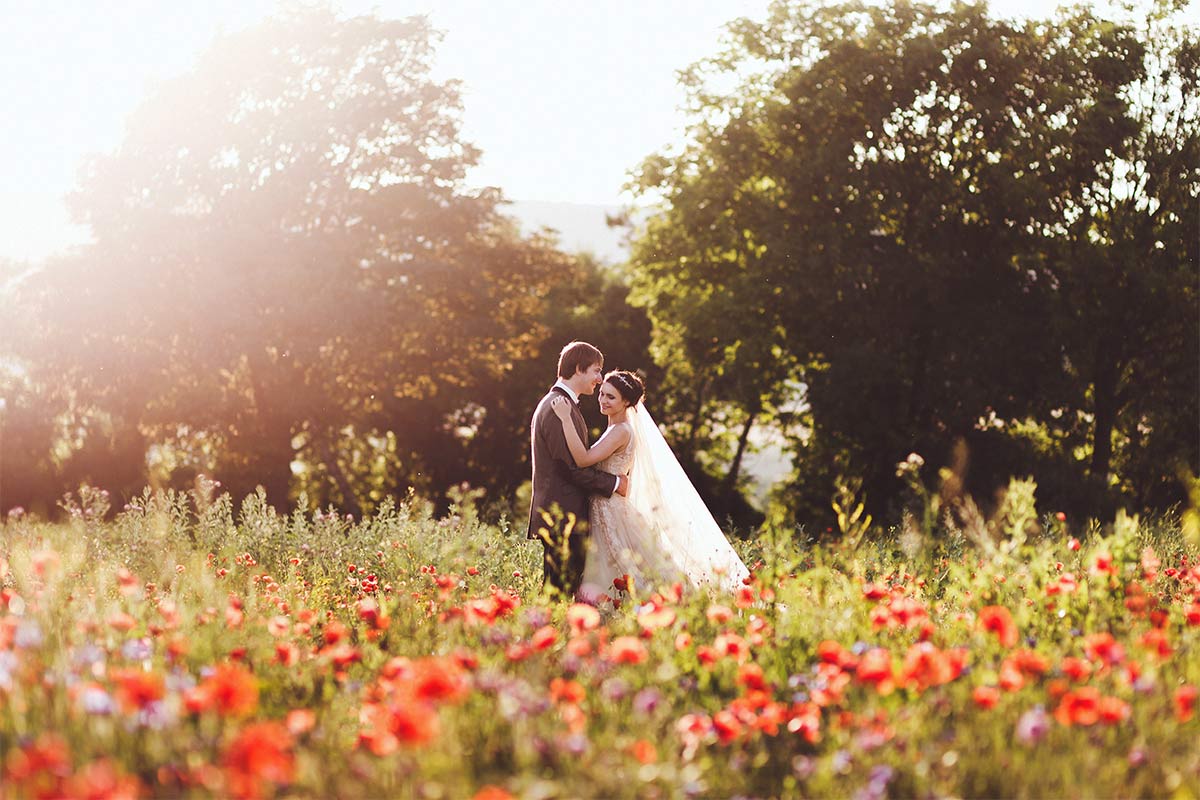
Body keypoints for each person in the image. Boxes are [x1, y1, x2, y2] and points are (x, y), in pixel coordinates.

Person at [550, 369, 750, 598]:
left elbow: (583, 459)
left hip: (610, 507)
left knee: (622, 563)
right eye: (602, 394)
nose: (603, 400)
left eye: (611, 397)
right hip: (604, 504)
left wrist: (566, 419)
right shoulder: (616, 427)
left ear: (627, 402)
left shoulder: (621, 431)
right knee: (614, 563)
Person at [527, 341, 629, 597]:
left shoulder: (562, 404)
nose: (599, 378)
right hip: (562, 516)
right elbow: (569, 469)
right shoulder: (556, 407)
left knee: (560, 591)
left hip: (564, 514)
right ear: (579, 368)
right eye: (596, 370)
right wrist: (615, 483)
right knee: (559, 593)